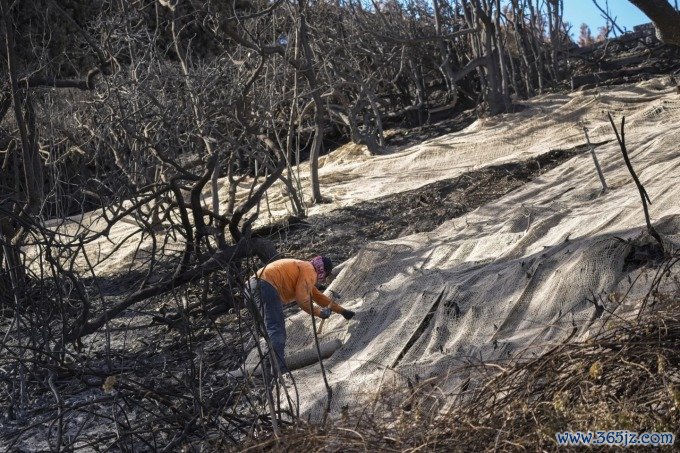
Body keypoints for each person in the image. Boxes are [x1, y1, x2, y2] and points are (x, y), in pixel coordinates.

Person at [246, 256, 355, 375]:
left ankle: (268, 367)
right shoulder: (310, 271)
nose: (323, 280)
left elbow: (317, 296)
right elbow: (302, 300)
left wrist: (342, 311)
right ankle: (279, 372)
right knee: (276, 329)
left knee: (268, 331)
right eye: (325, 276)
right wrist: (319, 312)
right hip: (265, 286)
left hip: (250, 287)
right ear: (323, 271)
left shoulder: (304, 268)